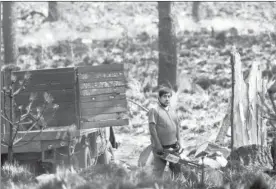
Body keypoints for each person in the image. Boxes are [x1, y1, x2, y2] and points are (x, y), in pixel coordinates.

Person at [148, 87, 182, 178]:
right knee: (158, 172)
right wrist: (158, 144)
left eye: (169, 96)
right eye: (164, 96)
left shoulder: (172, 110)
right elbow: (152, 129)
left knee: (176, 170)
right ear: (159, 98)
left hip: (173, 148)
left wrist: (179, 140)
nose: (167, 99)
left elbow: (177, 126)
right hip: (161, 150)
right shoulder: (154, 110)